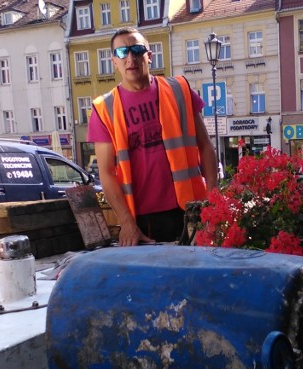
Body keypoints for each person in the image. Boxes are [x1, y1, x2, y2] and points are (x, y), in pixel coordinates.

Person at [88, 27, 218, 246]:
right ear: (114, 61)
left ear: (149, 56)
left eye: (137, 50)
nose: (130, 58)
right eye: (122, 53)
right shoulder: (104, 108)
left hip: (190, 212)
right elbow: (106, 173)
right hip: (142, 222)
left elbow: (205, 146)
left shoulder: (180, 90)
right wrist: (127, 222)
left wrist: (214, 200)